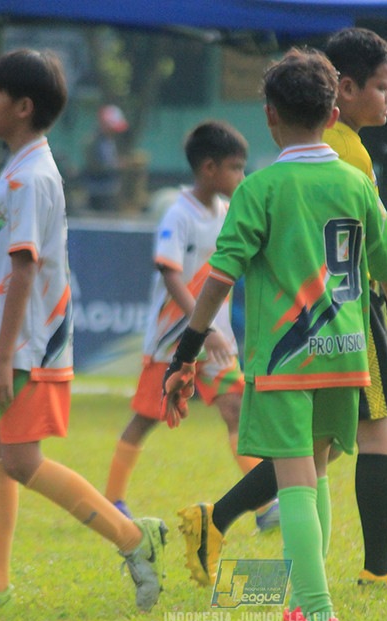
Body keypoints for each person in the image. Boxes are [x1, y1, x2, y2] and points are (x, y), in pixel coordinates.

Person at [176, 27, 387, 595]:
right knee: (320, 463)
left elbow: (219, 279)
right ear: (333, 107)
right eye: (381, 86)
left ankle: (313, 605)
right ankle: (333, 581)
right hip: (346, 345)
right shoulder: (352, 176)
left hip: (289, 352)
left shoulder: (261, 188)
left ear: (270, 116)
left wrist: (186, 350)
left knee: (301, 471)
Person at [0, 49, 167, 613]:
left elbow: (25, 267)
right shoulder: (17, 169)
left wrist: (6, 357)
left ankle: (135, 540)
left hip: (29, 345)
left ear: (23, 106)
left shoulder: (31, 178)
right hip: (9, 343)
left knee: (21, 460)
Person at [104, 120, 278, 530]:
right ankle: (113, 498)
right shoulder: (178, 215)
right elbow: (170, 274)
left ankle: (264, 508)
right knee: (145, 417)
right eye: (236, 168)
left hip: (216, 340)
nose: (242, 176)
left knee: (236, 410)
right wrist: (203, 328)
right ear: (208, 169)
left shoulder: (227, 212)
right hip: (172, 340)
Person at [84, 104, 128, 211]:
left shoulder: (109, 140)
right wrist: (117, 165)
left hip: (110, 191)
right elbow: (95, 166)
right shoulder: (94, 141)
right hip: (98, 192)